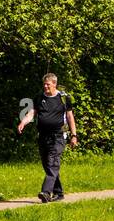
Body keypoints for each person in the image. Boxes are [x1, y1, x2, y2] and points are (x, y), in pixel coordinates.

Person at [17, 73, 77, 202]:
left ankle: (46, 192)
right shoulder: (39, 97)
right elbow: (32, 113)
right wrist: (23, 122)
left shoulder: (64, 98)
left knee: (52, 162)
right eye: (44, 84)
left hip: (58, 136)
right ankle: (59, 193)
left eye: (48, 84)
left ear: (54, 84)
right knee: (47, 164)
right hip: (43, 136)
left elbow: (70, 117)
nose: (45, 86)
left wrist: (74, 135)